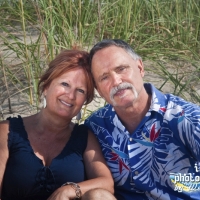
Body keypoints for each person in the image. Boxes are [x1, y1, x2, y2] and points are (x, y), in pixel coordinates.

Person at [84, 39, 200, 200]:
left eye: (121, 69)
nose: (116, 81)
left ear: (140, 67)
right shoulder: (96, 126)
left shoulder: (186, 117)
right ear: (98, 90)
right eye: (104, 77)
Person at [0, 49, 116, 200]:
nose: (70, 96)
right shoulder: (7, 131)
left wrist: (69, 190)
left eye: (80, 90)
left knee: (100, 196)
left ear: (85, 101)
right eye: (65, 84)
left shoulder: (84, 137)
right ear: (47, 86)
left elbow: (107, 184)